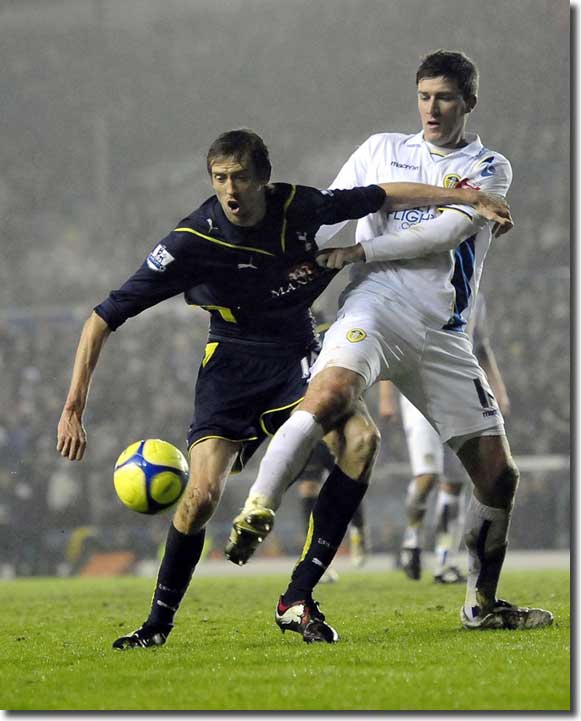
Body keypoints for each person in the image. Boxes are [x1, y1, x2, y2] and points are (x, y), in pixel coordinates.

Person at [56, 128, 508, 649]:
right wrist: (74, 408)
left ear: (263, 180)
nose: (231, 190)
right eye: (221, 178)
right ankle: (157, 624)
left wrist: (467, 197)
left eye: (241, 178)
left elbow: (386, 193)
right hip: (231, 365)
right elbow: (101, 318)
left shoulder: (300, 206)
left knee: (362, 443)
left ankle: (298, 597)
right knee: (200, 497)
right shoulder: (191, 241)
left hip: (298, 355)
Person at [227, 50, 552, 641]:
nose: (432, 108)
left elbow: (443, 234)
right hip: (374, 306)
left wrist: (361, 249)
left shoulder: (489, 167)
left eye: (445, 97)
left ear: (469, 103)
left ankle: (482, 602)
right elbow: (328, 218)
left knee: (500, 479)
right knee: (329, 392)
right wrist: (287, 251)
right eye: (425, 96)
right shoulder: (380, 149)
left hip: (444, 336)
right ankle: (257, 507)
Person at [381, 293, 511, 584]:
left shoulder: (475, 291)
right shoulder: (427, 280)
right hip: (421, 391)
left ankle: (443, 561)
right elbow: (393, 338)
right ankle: (412, 541)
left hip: (459, 391)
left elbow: (482, 344)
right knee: (427, 477)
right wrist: (387, 395)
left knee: (454, 483)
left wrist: (498, 388)